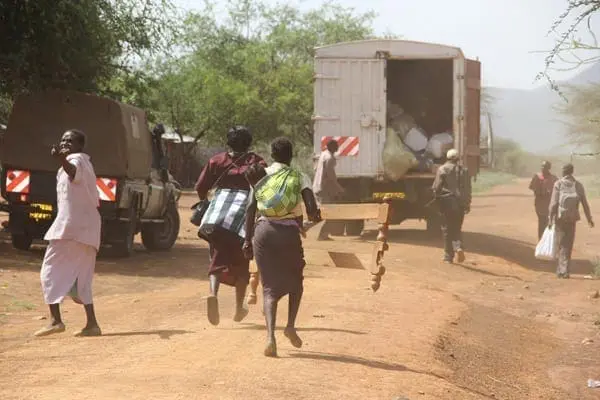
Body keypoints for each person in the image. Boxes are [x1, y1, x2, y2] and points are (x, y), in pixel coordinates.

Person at [243, 137, 321, 357]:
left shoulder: (260, 177)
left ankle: (270, 337)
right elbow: (312, 208)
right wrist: (314, 216)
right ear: (291, 156)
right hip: (288, 234)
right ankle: (290, 325)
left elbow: (250, 209)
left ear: (271, 155)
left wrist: (247, 240)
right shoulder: (299, 176)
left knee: (269, 288)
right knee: (296, 282)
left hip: (263, 232)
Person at [194, 126, 267, 326]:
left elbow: (201, 187)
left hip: (216, 218)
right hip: (242, 219)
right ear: (248, 143)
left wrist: (208, 203)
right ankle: (238, 307)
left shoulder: (216, 161)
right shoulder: (257, 162)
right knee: (242, 262)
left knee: (217, 257)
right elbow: (263, 187)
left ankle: (212, 293)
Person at [35, 129, 102, 337]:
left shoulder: (77, 160)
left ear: (80, 146)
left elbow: (73, 171)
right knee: (83, 279)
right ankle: (92, 324)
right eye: (63, 139)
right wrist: (62, 161)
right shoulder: (84, 162)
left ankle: (56, 320)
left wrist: (63, 160)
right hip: (87, 230)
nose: (65, 142)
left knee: (49, 271)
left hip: (71, 230)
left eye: (70, 140)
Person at [548, 163, 594, 279]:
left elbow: (554, 203)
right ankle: (565, 270)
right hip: (572, 218)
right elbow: (584, 203)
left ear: (564, 172)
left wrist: (550, 218)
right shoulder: (578, 185)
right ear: (572, 172)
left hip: (560, 218)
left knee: (560, 243)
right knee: (568, 244)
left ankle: (561, 270)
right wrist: (589, 219)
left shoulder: (558, 184)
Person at [432, 148, 472, 264]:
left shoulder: (442, 169)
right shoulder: (464, 170)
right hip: (460, 204)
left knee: (446, 229)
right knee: (457, 227)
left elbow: (437, 187)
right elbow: (468, 189)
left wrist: (436, 200)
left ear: (447, 158)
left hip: (447, 203)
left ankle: (448, 256)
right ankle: (458, 247)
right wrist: (467, 204)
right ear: (457, 159)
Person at [312, 139, 344, 240]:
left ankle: (323, 234)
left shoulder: (324, 154)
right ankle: (306, 227)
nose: (338, 148)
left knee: (325, 212)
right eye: (337, 146)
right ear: (333, 148)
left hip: (318, 187)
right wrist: (339, 188)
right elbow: (331, 177)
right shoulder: (329, 158)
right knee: (327, 213)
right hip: (323, 189)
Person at [529, 161, 558, 239]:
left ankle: (547, 241)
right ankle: (541, 239)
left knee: (549, 222)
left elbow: (558, 190)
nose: (543, 168)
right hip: (540, 204)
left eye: (545, 166)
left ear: (549, 168)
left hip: (551, 204)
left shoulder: (554, 178)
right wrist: (542, 192)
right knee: (542, 222)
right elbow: (532, 188)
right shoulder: (537, 176)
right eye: (542, 166)